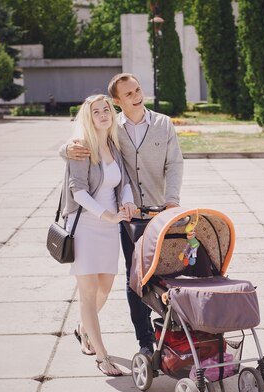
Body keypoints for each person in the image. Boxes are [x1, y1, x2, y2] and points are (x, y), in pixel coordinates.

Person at [60, 73, 184, 357]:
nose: (137, 96)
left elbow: (175, 164)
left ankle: (172, 333)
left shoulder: (163, 124)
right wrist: (65, 149)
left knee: (167, 275)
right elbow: (83, 144)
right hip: (128, 217)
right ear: (117, 102)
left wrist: (172, 201)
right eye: (128, 94)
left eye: (138, 90)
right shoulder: (116, 130)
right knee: (134, 278)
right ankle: (145, 341)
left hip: (161, 212)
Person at [61, 94, 137, 376]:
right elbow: (77, 191)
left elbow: (124, 182)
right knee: (88, 293)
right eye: (97, 111)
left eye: (107, 109)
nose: (103, 114)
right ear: (88, 116)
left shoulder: (112, 145)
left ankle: (83, 329)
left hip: (110, 226)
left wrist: (126, 202)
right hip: (85, 226)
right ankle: (102, 356)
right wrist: (106, 215)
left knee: (105, 288)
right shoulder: (81, 147)